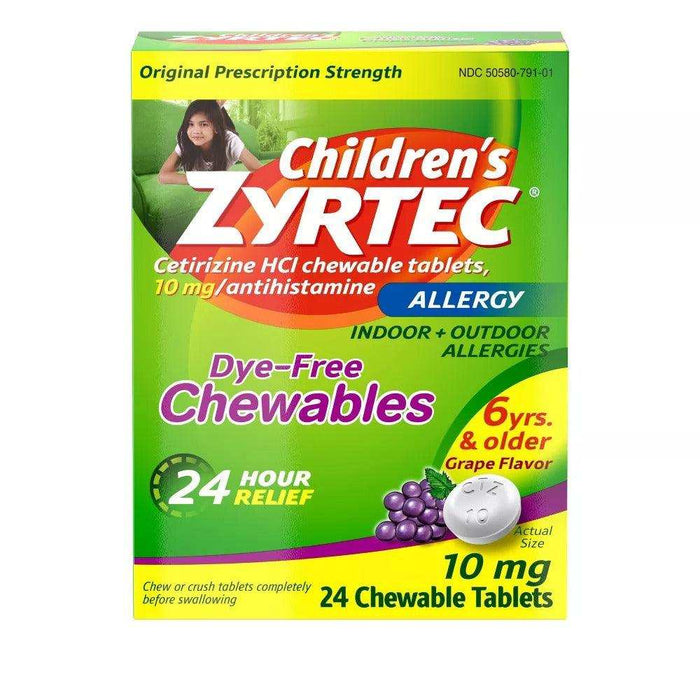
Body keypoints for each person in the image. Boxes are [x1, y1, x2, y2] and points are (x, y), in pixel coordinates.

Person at [159, 100, 261, 184]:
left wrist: (230, 180)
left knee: (228, 128)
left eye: (203, 124)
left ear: (215, 127)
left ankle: (218, 105)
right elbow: (163, 176)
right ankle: (217, 105)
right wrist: (199, 180)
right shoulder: (186, 140)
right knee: (212, 110)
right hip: (215, 128)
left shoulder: (230, 141)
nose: (195, 131)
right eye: (191, 124)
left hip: (222, 135)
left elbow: (262, 173)